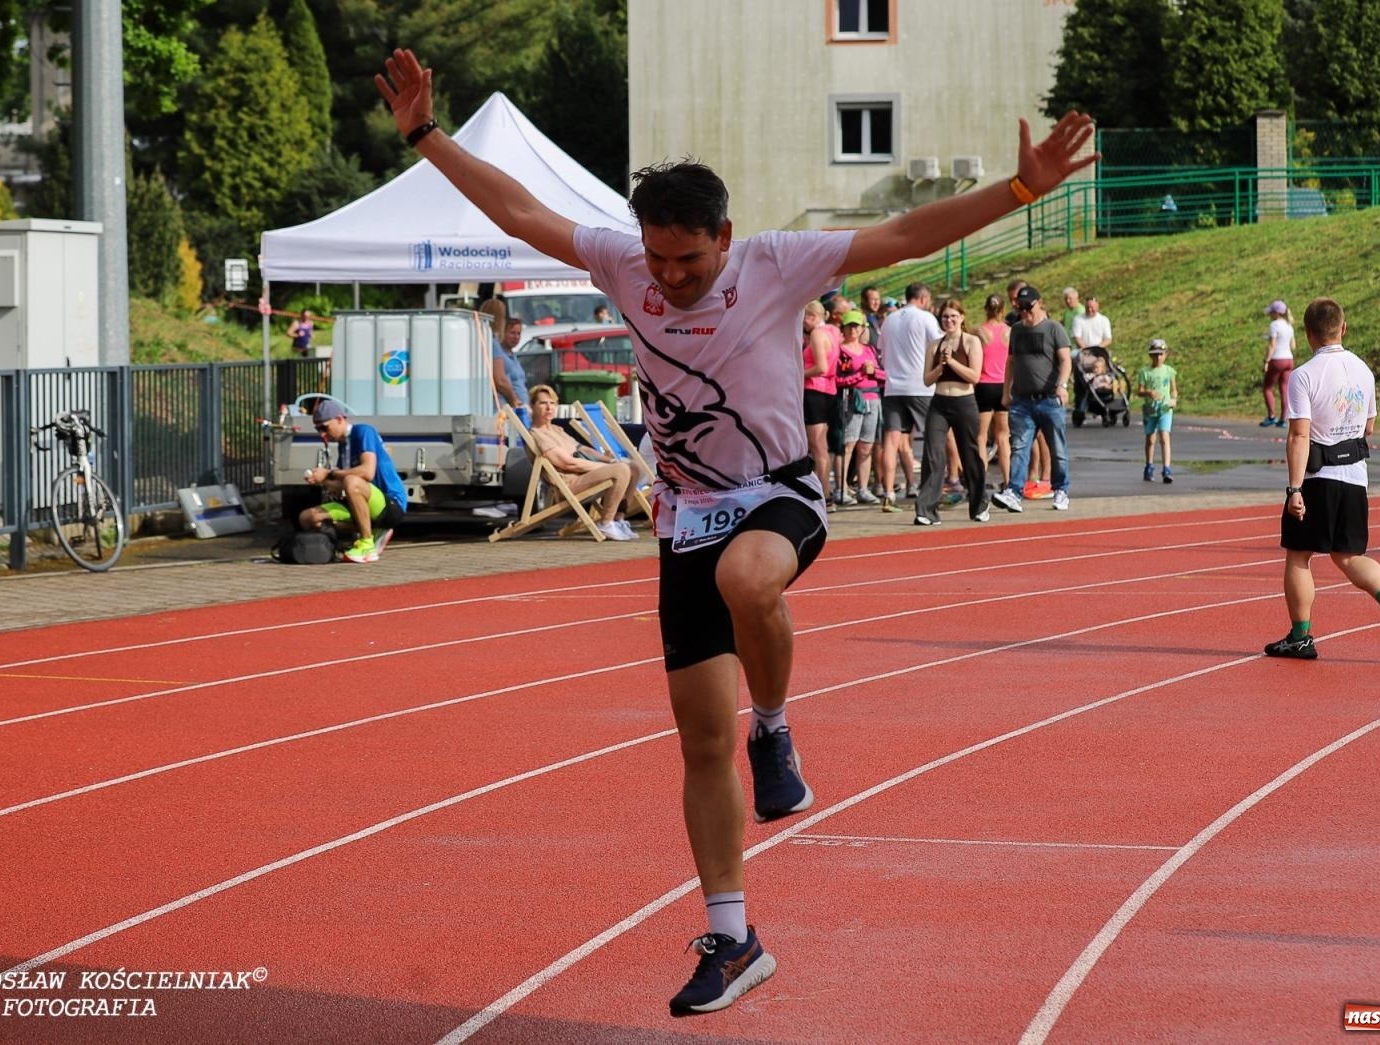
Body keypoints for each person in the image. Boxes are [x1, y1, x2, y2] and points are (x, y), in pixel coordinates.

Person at [376, 45, 1096, 1016]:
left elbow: (908, 232)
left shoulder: (773, 263)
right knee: (696, 747)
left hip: (779, 493)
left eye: (688, 260)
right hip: (683, 518)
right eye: (657, 260)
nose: (667, 279)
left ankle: (777, 726)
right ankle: (731, 933)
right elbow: (518, 210)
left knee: (750, 585)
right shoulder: (623, 262)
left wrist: (1019, 186)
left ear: (724, 237)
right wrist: (425, 134)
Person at [1266, 296, 1380, 661]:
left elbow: (1300, 435)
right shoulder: (1364, 371)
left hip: (1318, 476)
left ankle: (1301, 637)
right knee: (1349, 556)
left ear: (1308, 333)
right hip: (1355, 477)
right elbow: (1369, 426)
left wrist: (1294, 488)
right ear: (1343, 328)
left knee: (1300, 555)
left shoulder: (1304, 376)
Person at [993, 286, 1073, 513]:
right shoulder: (1017, 330)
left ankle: (1061, 490)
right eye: (1020, 307)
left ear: (1039, 303)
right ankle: (1014, 492)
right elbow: (1010, 363)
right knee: (1019, 447)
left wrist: (1062, 386)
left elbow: (1066, 360)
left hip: (1048, 399)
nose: (1024, 312)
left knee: (1057, 447)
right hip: (1022, 400)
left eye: (1028, 307)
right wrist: (1006, 391)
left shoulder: (1054, 329)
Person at [525, 384, 641, 541]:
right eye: (543, 403)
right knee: (621, 470)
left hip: (584, 476)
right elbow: (567, 464)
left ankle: (618, 519)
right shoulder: (538, 435)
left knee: (633, 467)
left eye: (552, 403)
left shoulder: (556, 430)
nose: (549, 407)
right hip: (569, 484)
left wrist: (611, 460)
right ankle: (606, 523)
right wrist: (610, 467)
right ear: (533, 406)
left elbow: (583, 449)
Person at [300, 400, 407, 563]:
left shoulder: (363, 432)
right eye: (317, 429)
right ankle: (355, 538)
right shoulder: (343, 446)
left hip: (390, 504)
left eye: (324, 427)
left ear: (340, 419)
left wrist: (329, 473)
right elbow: (340, 486)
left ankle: (367, 545)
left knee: (352, 481)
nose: (322, 434)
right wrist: (321, 481)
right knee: (307, 517)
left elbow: (367, 472)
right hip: (363, 501)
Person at [914, 298, 988, 525]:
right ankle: (926, 511)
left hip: (964, 402)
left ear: (962, 318)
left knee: (970, 455)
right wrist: (940, 366)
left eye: (954, 316)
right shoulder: (934, 345)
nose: (949, 321)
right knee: (933, 455)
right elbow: (927, 380)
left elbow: (974, 376)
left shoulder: (971, 342)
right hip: (939, 403)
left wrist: (952, 363)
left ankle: (979, 506)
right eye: (945, 317)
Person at [877, 282, 940, 514]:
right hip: (920, 386)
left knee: (891, 442)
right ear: (923, 298)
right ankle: (934, 489)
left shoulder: (889, 319)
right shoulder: (925, 318)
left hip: (894, 386)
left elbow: (881, 350)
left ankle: (888, 493)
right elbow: (940, 344)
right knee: (934, 436)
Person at [832, 309, 881, 504]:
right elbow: (838, 379)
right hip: (851, 399)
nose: (853, 329)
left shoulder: (869, 349)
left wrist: (872, 373)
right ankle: (840, 488)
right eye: (849, 325)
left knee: (866, 446)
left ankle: (863, 488)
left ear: (862, 328)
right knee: (848, 444)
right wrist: (861, 374)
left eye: (856, 326)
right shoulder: (840, 351)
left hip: (872, 399)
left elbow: (881, 374)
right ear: (843, 328)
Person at [801, 300, 839, 505]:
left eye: (804, 319)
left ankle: (824, 492)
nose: (803, 324)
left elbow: (821, 367)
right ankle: (824, 490)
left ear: (812, 317)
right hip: (829, 390)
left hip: (815, 390)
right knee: (821, 445)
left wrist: (798, 374)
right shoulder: (834, 331)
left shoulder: (817, 334)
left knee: (817, 446)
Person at [974, 293, 1011, 493]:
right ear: (1003, 310)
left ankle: (979, 482)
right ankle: (1008, 482)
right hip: (1003, 386)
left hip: (984, 385)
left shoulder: (979, 332)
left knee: (981, 437)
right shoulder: (1009, 332)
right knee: (1003, 436)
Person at [1137, 339, 1179, 483]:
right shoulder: (1145, 372)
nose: (1158, 358)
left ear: (1165, 355)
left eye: (1161, 354)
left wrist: (1174, 400)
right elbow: (1140, 391)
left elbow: (1174, 390)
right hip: (1150, 410)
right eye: (1155, 355)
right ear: (1151, 356)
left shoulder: (1169, 371)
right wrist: (1149, 393)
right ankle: (1149, 466)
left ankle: (1166, 468)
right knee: (1150, 439)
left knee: (1164, 436)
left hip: (1165, 409)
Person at [482, 298, 529, 409]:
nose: (516, 337)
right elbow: (499, 380)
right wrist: (514, 400)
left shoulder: (484, 340)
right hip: (503, 406)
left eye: (518, 333)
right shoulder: (493, 344)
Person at [1262, 298, 1296, 428]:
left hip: (1277, 359)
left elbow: (1272, 345)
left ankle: (1271, 416)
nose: (1270, 315)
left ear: (1276, 313)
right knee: (1284, 388)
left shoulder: (1274, 325)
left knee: (1267, 387)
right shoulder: (1289, 325)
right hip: (1289, 359)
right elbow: (1293, 346)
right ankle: (1283, 419)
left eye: (1271, 312)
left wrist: (1266, 361)